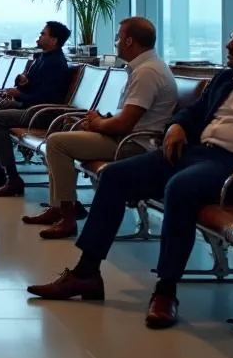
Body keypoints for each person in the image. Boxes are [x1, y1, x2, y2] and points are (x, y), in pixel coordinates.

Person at [27, 15, 233, 330]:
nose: (228, 44)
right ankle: (86, 273)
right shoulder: (225, 80)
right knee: (115, 176)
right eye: (231, 37)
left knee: (180, 188)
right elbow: (193, 112)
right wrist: (177, 125)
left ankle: (165, 290)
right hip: (195, 153)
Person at [22, 17, 178, 239]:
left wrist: (98, 124)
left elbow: (125, 124)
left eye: (118, 37)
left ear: (129, 41)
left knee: (57, 143)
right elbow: (130, 115)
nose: (115, 42)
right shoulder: (145, 68)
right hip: (128, 137)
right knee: (64, 135)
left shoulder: (147, 72)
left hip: (135, 145)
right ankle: (59, 207)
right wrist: (100, 120)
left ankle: (66, 217)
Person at [0, 20, 75, 198]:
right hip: (32, 108)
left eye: (43, 34)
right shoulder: (43, 58)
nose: (39, 36)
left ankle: (11, 177)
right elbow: (32, 86)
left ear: (54, 40)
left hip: (42, 114)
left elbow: (46, 98)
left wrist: (18, 95)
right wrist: (22, 82)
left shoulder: (55, 64)